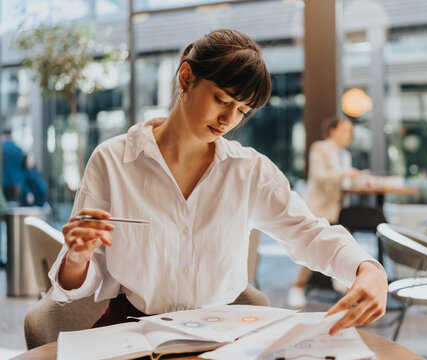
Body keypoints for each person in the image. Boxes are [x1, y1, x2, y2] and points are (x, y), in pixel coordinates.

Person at [48, 29, 387, 335]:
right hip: (133, 333)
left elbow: (309, 234)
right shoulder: (112, 161)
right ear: (186, 78)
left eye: (242, 110)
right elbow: (78, 283)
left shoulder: (249, 170)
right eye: (222, 100)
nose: (228, 119)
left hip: (222, 336)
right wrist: (77, 258)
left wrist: (368, 268)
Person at [287, 117, 369, 308]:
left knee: (342, 244)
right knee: (313, 248)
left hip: (337, 208)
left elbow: (344, 183)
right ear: (333, 130)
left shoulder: (345, 155)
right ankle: (298, 286)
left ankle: (343, 286)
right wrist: (344, 173)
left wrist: (360, 180)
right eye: (345, 130)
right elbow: (319, 176)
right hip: (319, 207)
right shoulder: (320, 148)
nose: (349, 135)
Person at [2, 129, 28, 204]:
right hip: (17, 182)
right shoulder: (19, 149)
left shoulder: (2, 147)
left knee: (5, 206)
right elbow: (23, 167)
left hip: (4, 181)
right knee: (15, 205)